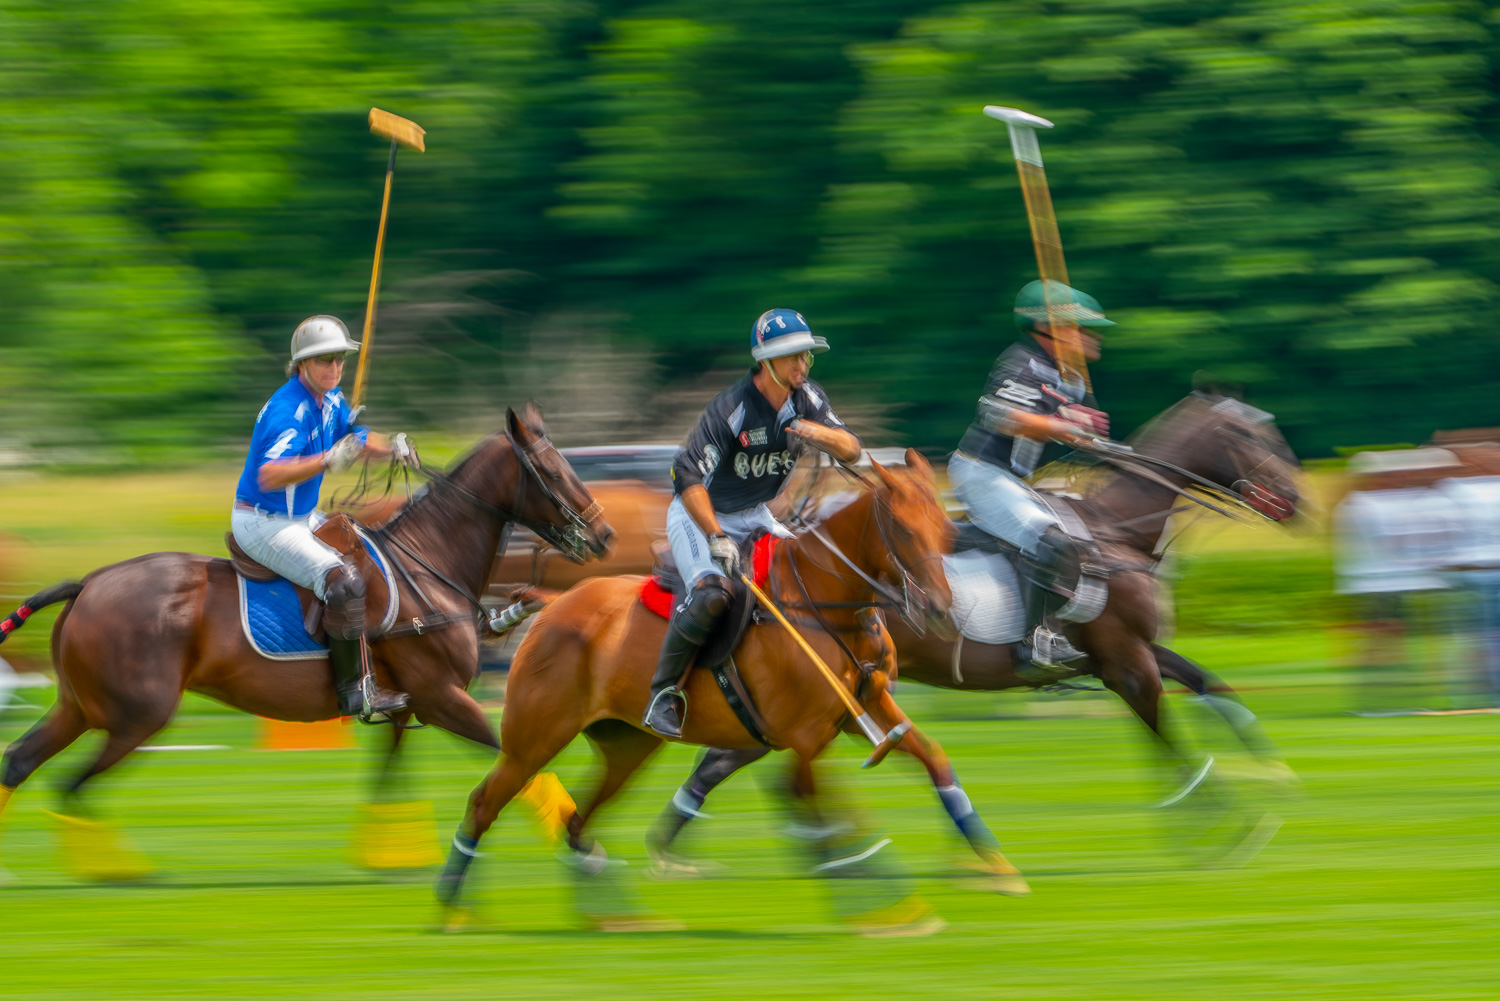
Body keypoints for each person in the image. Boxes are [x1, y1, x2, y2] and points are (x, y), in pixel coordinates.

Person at [642, 308, 862, 738]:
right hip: (700, 512)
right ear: (767, 362)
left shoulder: (808, 399)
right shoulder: (732, 410)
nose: (802, 365)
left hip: (755, 512)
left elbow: (851, 449)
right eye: (793, 357)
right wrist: (715, 536)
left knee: (811, 571)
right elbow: (686, 476)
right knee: (711, 594)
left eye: (806, 357)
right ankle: (663, 694)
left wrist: (812, 432)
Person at [231, 315, 415, 720]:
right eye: (324, 360)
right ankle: (356, 693)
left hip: (300, 515)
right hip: (265, 521)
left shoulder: (331, 399)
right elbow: (270, 472)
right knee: (343, 581)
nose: (334, 368)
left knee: (367, 551)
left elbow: (357, 437)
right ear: (302, 364)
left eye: (339, 360)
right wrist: (328, 459)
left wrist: (394, 446)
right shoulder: (288, 410)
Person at [949, 279, 1113, 681]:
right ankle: (1034, 642)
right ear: (1051, 330)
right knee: (1051, 538)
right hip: (982, 471)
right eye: (1082, 328)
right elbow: (1000, 415)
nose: (1092, 336)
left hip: (1015, 479)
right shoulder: (1026, 363)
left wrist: (1084, 429)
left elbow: (1069, 426)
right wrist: (1059, 426)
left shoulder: (1069, 378)